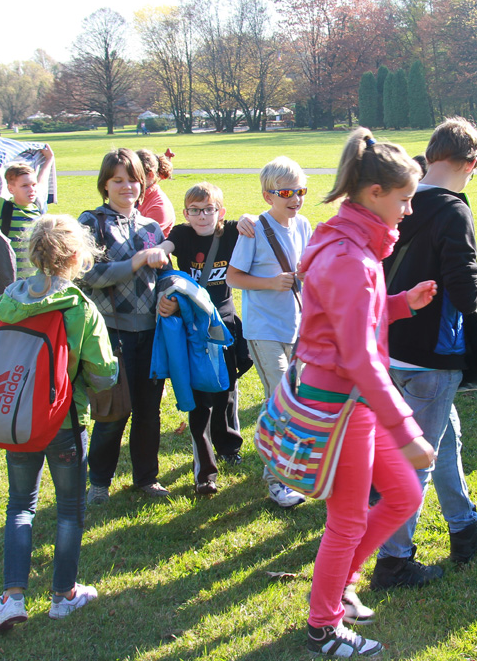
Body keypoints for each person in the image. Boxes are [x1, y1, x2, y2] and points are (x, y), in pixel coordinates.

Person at [297, 128, 437, 658]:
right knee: (348, 519)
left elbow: (349, 321)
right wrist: (406, 431)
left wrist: (400, 303)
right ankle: (323, 626)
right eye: (404, 199)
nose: (408, 210)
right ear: (374, 193)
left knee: (403, 494)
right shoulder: (350, 256)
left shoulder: (356, 243)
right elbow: (357, 355)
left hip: (354, 399)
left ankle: (339, 588)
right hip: (341, 402)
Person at [372, 117, 477, 591]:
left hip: (387, 343)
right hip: (431, 352)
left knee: (444, 438)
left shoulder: (396, 200)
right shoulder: (452, 210)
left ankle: (464, 526)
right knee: (416, 459)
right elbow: (464, 290)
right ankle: (393, 560)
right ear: (472, 162)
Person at [0, 215, 121, 632]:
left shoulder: (9, 300)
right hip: (64, 420)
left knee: (20, 505)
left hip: (17, 419)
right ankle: (63, 595)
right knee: (69, 509)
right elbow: (104, 374)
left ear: (32, 252)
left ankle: (12, 598)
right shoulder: (80, 308)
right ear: (77, 257)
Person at [77, 149, 173, 502]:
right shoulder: (92, 223)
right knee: (113, 412)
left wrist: (171, 296)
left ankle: (146, 478)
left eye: (133, 179)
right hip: (111, 334)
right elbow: (86, 275)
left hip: (150, 333)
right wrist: (134, 262)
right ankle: (99, 483)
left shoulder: (150, 227)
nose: (126, 186)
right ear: (105, 184)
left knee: (149, 412)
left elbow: (165, 274)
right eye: (117, 180)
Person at [227, 157, 313, 509]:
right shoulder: (254, 229)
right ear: (268, 196)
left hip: (297, 327)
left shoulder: (303, 224)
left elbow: (308, 269)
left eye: (301, 191)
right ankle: (277, 479)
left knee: (297, 400)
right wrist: (270, 283)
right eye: (287, 193)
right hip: (263, 329)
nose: (296, 199)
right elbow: (233, 277)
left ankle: (291, 464)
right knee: (281, 400)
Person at [157, 182, 246, 492]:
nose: (202, 216)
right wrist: (160, 251)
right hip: (195, 329)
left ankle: (229, 447)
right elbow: (167, 247)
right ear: (185, 213)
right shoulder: (182, 235)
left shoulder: (230, 232)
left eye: (209, 209)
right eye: (195, 210)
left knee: (227, 391)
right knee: (200, 401)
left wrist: (249, 219)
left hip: (225, 326)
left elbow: (253, 223)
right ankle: (205, 473)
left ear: (220, 211)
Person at [0, 147, 55, 279]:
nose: (31, 189)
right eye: (25, 186)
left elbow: (42, 180)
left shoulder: (38, 206)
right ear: (11, 189)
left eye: (33, 184)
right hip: (11, 281)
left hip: (36, 280)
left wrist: (49, 159)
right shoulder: (3, 208)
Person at [135, 148, 176, 236]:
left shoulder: (159, 205)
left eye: (133, 176)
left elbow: (141, 239)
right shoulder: (134, 198)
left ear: (150, 175)